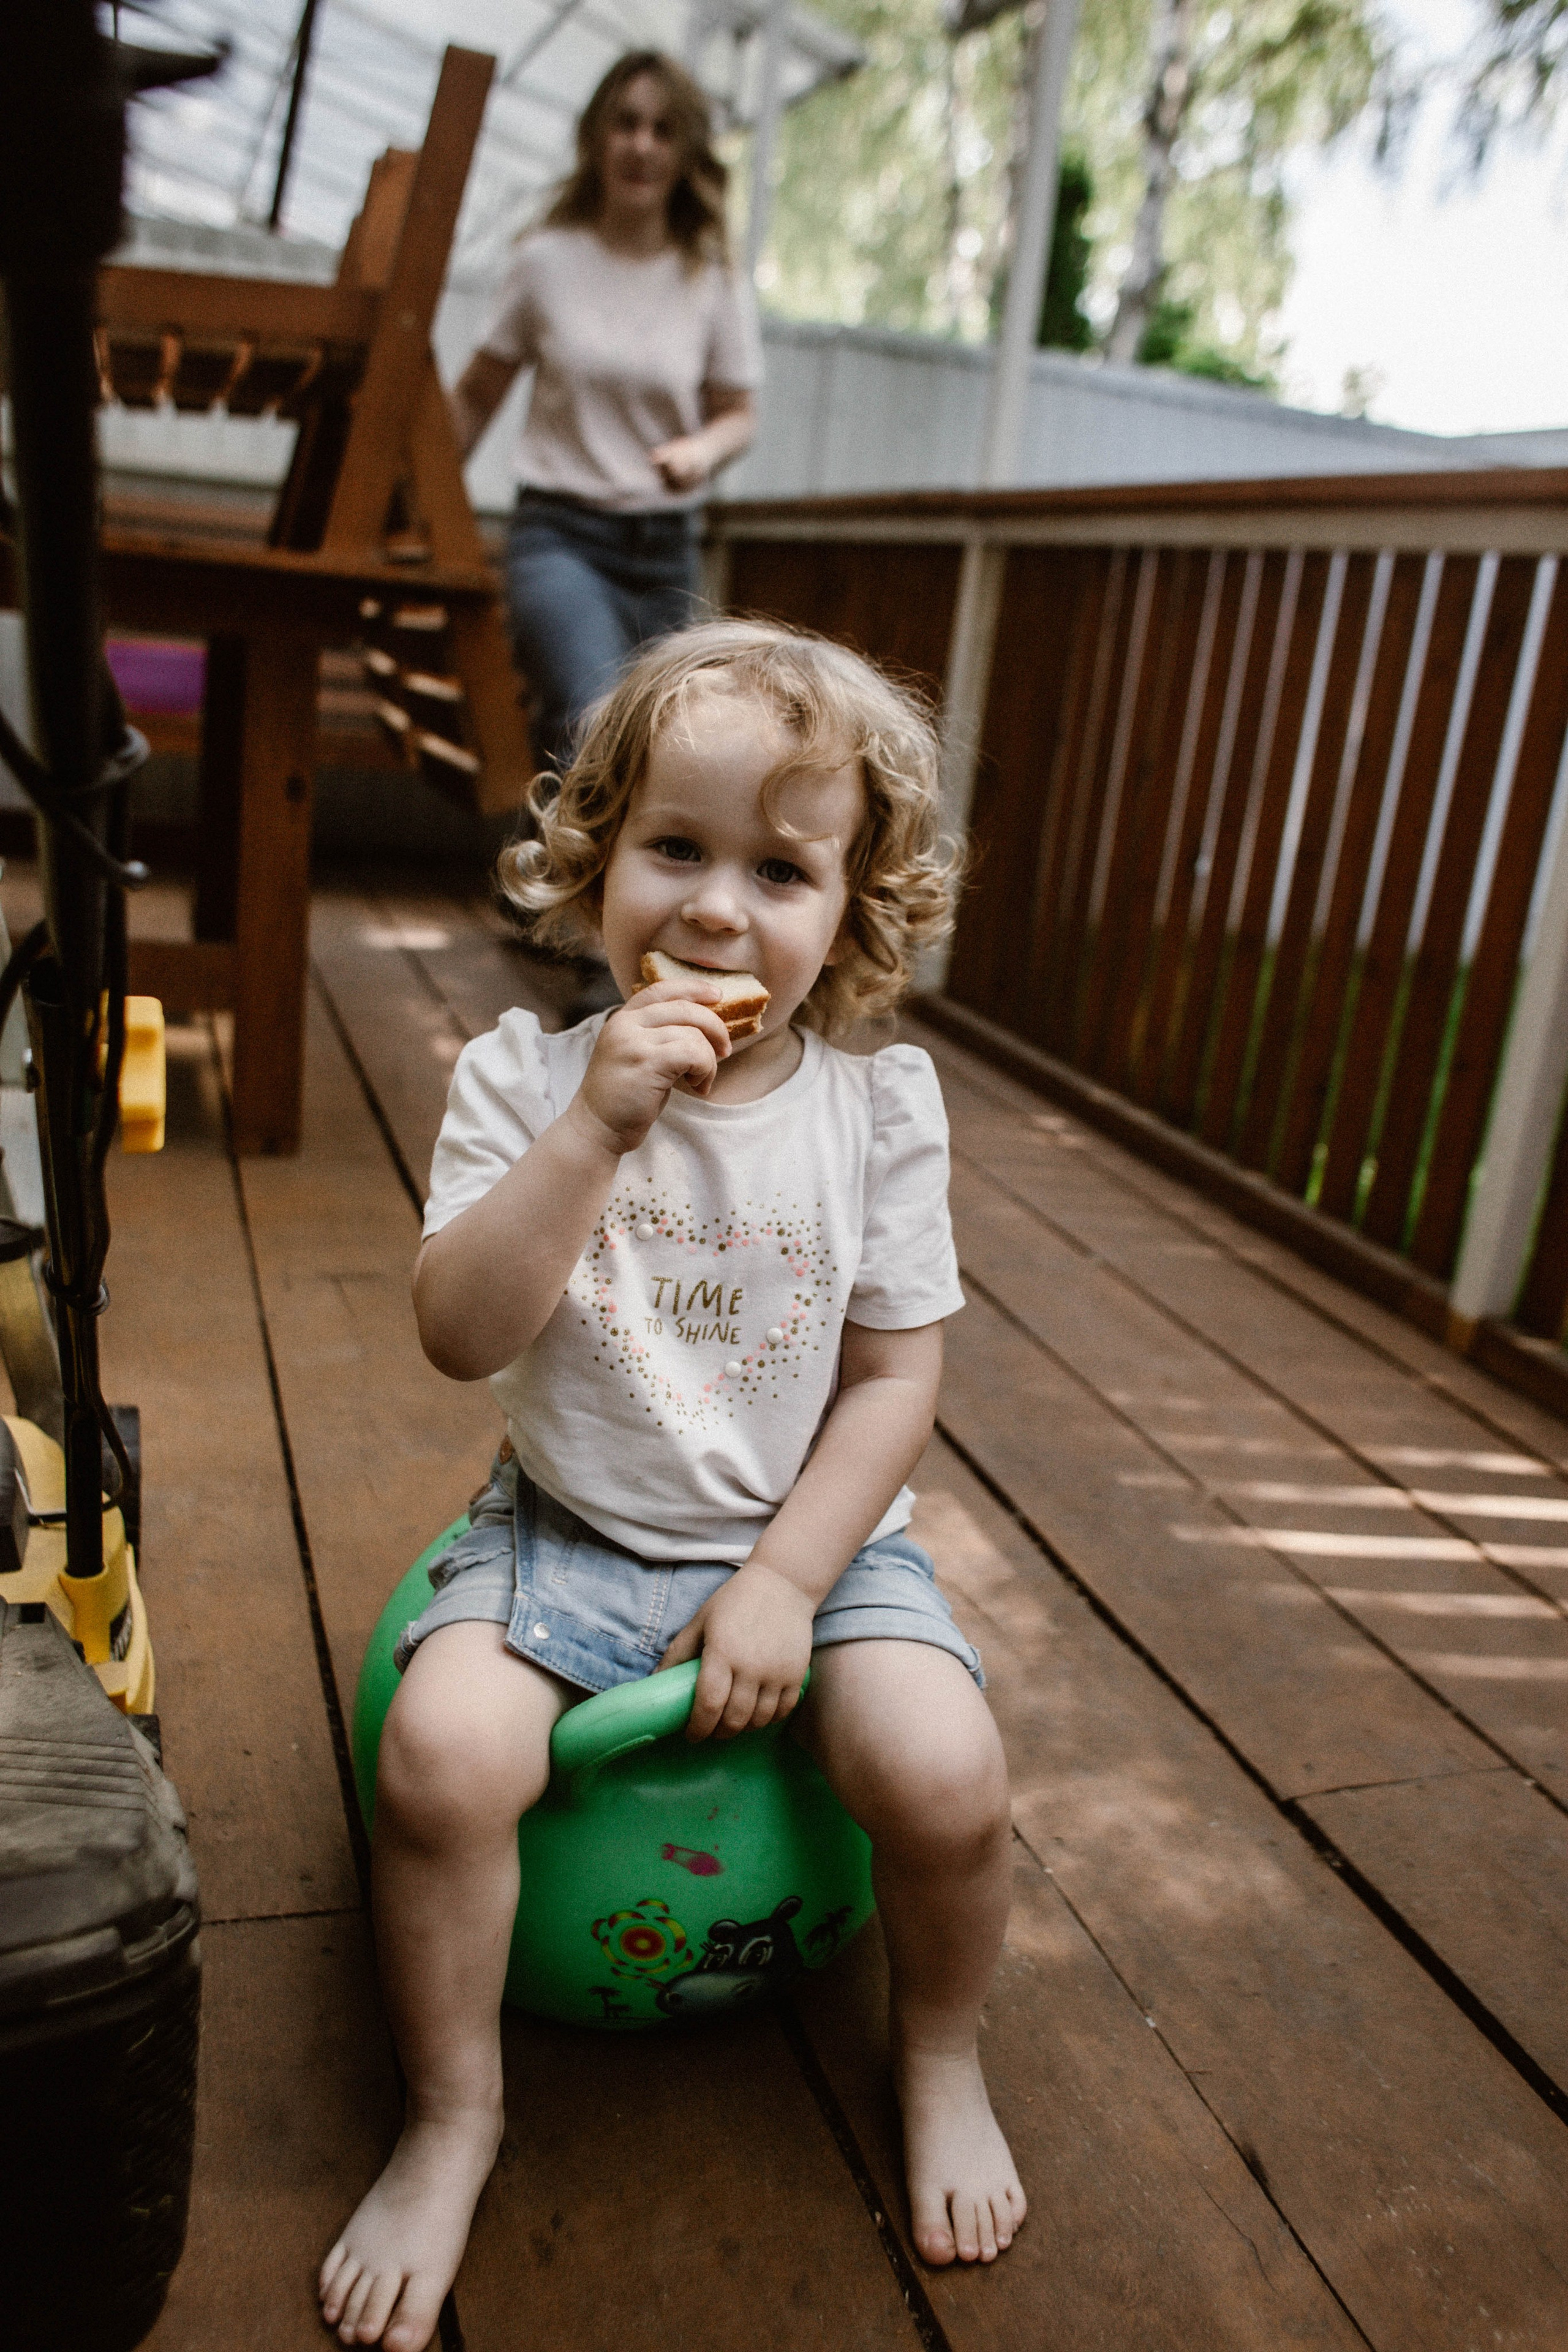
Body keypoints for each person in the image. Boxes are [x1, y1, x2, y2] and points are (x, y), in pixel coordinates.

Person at [317, 621, 1025, 2352]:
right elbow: (455, 1335)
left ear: (848, 912)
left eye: (780, 869)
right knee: (437, 1757)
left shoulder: (877, 1115)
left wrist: (787, 1578)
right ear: (600, 856)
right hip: (572, 1528)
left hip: (811, 1541)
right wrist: (592, 1135)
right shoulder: (522, 1079)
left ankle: (940, 2047)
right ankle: (455, 2114)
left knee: (941, 1771)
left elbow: (894, 1377)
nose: (716, 910)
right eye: (676, 849)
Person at [449, 51, 761, 780]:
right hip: (560, 539)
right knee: (597, 718)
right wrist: (405, 506)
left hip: (665, 551)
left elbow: (739, 416)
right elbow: (474, 399)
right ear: (595, 139)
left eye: (661, 130)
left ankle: (535, 885)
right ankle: (548, 886)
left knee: (654, 751)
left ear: (686, 156)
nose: (640, 145)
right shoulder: (545, 263)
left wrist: (701, 451)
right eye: (624, 124)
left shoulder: (708, 279)